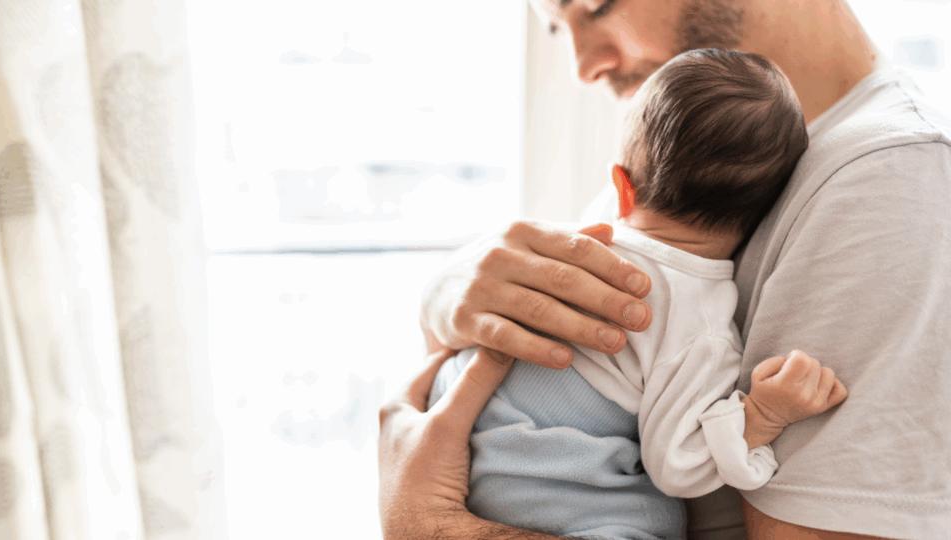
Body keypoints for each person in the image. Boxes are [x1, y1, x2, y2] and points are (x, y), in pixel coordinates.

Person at [380, 1, 951, 538]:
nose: (582, 66)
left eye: (598, 6)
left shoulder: (889, 181)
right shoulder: (692, 152)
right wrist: (446, 296)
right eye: (557, 27)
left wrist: (429, 524)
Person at [425, 48, 848, 539]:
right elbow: (680, 465)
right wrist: (763, 415)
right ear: (764, 215)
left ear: (621, 187)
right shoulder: (700, 325)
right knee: (649, 519)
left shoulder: (563, 250)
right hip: (548, 494)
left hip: (457, 451)